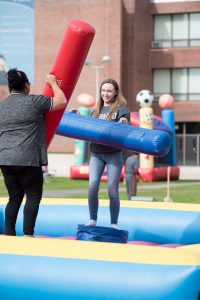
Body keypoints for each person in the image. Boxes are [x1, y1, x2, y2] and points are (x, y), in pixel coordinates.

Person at [0, 68, 67, 236]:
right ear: (26, 86)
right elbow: (61, 101)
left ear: (10, 87)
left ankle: (9, 235)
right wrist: (52, 83)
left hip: (5, 158)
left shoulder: (2, 106)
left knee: (14, 198)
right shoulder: (34, 102)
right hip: (27, 158)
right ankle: (28, 235)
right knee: (33, 196)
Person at [86, 78, 130, 229]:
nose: (106, 93)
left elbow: (125, 127)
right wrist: (76, 116)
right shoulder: (95, 111)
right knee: (92, 186)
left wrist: (124, 123)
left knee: (112, 190)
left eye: (109, 91)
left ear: (115, 92)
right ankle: (92, 220)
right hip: (96, 154)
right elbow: (87, 128)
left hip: (113, 154)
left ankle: (114, 223)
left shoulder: (121, 110)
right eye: (103, 90)